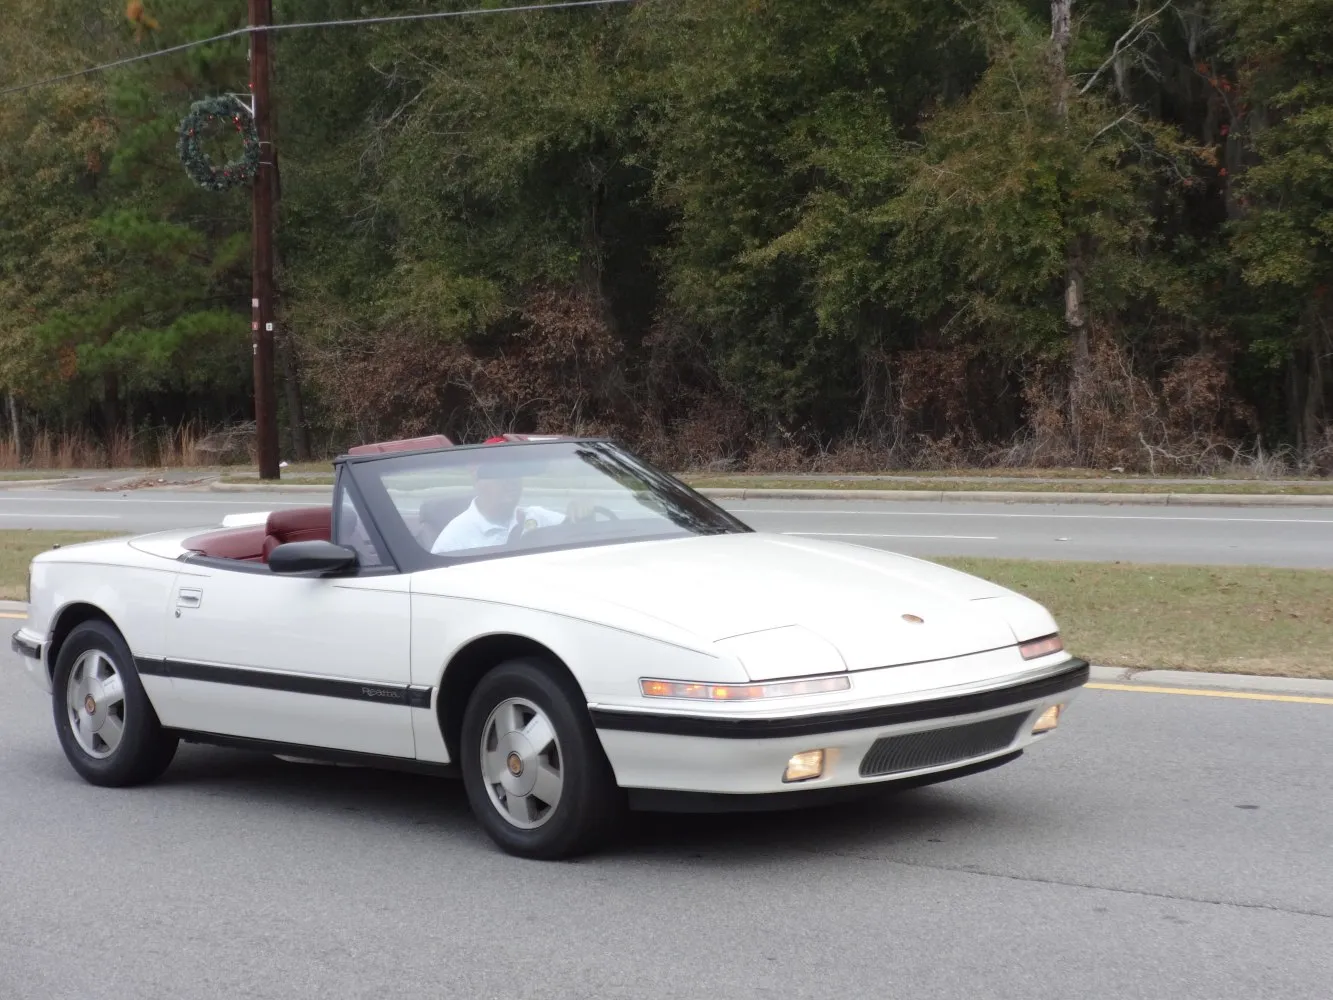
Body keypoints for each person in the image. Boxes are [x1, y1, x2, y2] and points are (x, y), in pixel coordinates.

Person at [430, 461, 591, 554]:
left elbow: (580, 540)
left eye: (515, 474)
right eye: (501, 474)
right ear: (478, 482)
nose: (512, 482)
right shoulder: (455, 538)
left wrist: (582, 515)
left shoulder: (537, 517)